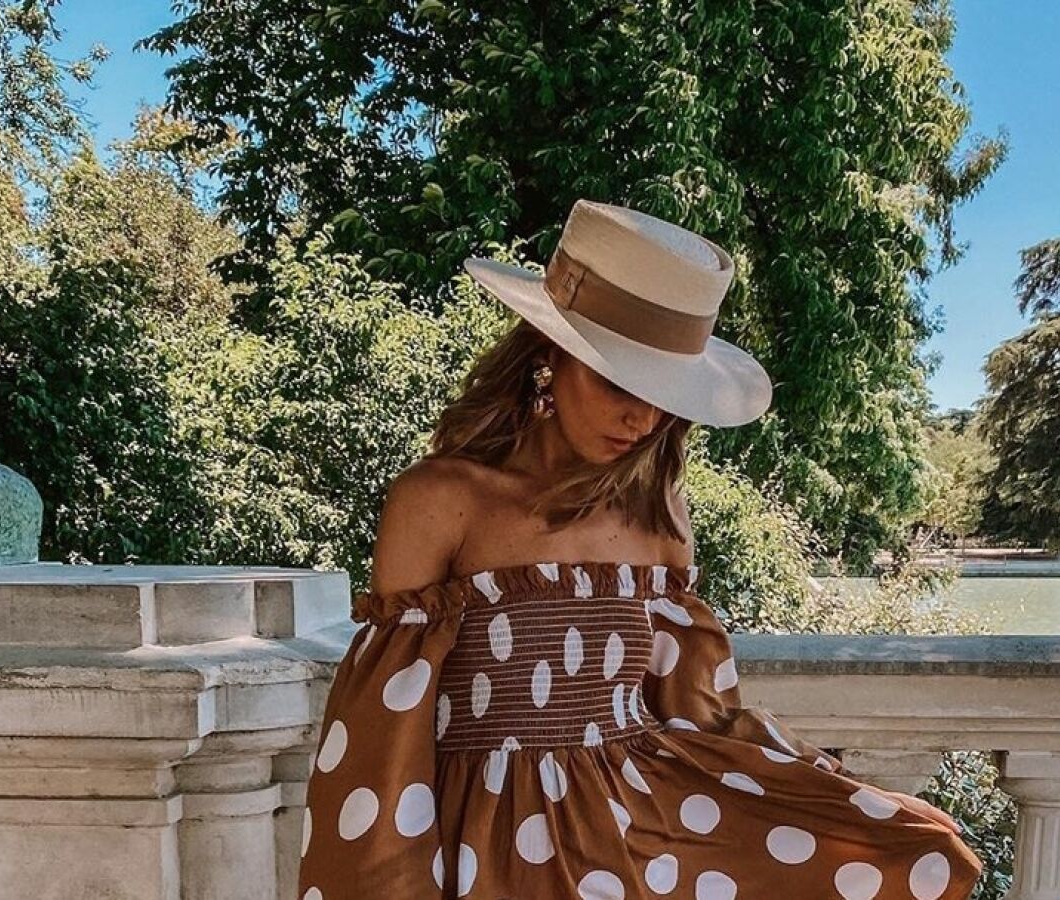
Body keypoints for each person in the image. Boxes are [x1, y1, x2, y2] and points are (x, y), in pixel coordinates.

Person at [296, 198, 982, 899]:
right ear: (548, 359)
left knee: (929, 855)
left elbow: (701, 716)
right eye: (618, 381)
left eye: (662, 395)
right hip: (483, 846)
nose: (642, 417)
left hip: (632, 842)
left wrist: (829, 789)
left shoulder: (660, 517)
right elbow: (383, 729)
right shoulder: (442, 499)